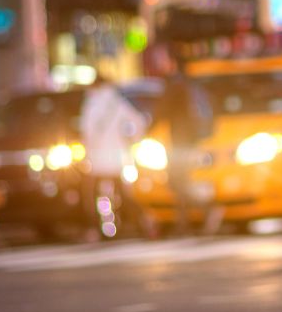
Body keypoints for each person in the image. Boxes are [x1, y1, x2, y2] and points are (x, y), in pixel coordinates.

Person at [79, 75, 149, 239]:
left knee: (98, 196)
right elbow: (139, 122)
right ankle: (141, 222)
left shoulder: (92, 104)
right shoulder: (118, 102)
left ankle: (103, 228)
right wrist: (131, 140)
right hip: (118, 159)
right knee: (122, 195)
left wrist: (87, 152)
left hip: (97, 160)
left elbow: (87, 133)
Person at [154, 56, 214, 235]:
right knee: (181, 181)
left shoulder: (175, 86)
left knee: (179, 181)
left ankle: (205, 210)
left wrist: (148, 128)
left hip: (181, 142)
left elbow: (162, 112)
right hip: (188, 140)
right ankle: (187, 219)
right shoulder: (188, 85)